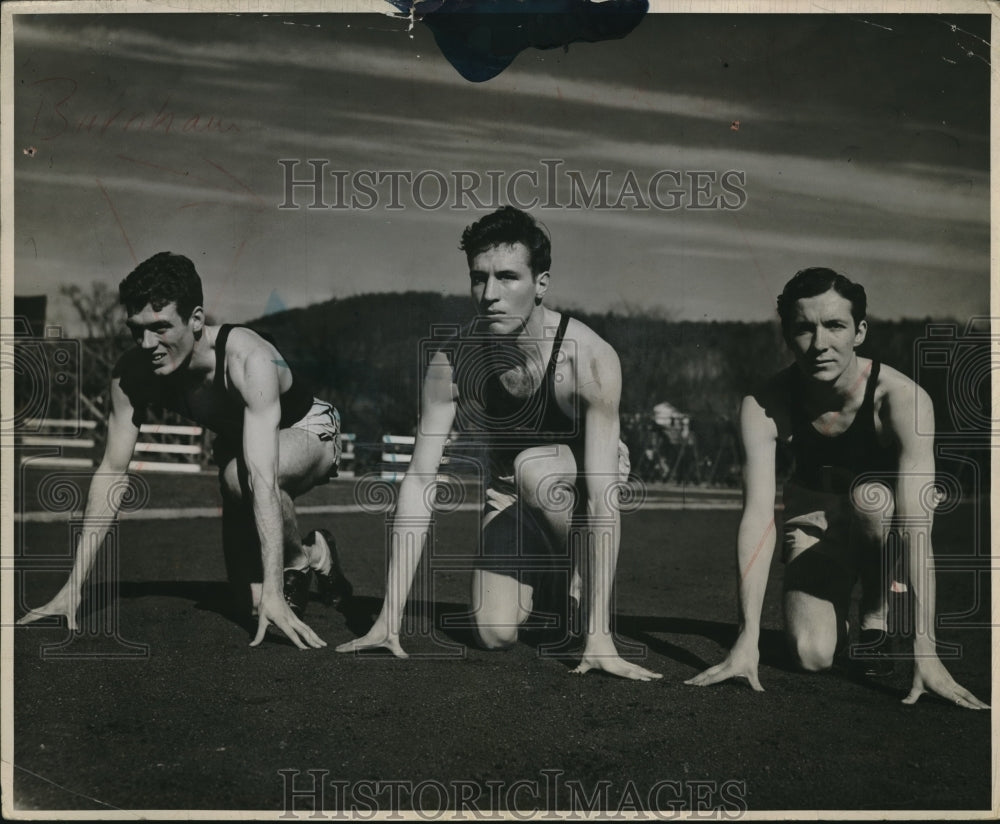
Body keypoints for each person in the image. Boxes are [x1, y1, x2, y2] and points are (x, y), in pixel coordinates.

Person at [336, 206, 660, 681]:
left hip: (586, 477)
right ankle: (551, 588)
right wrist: (388, 621)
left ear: (541, 284)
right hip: (508, 489)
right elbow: (421, 479)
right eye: (479, 278)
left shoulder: (589, 358)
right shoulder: (454, 360)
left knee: (536, 470)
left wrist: (600, 637)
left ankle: (573, 586)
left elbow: (602, 498)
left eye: (508, 277)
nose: (489, 295)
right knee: (492, 633)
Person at [685, 267, 988, 709]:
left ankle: (876, 615)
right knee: (811, 655)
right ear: (788, 334)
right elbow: (756, 519)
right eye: (804, 329)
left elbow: (915, 527)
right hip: (812, 515)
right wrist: (746, 638)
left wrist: (928, 650)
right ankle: (836, 621)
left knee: (871, 499)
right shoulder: (764, 403)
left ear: (859, 331)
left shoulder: (903, 400)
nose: (820, 343)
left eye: (835, 326)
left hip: (881, 520)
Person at [18, 252, 351, 649]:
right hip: (241, 450)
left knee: (239, 479)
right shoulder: (133, 371)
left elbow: (261, 476)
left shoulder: (249, 357)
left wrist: (277, 588)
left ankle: (299, 562)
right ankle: (317, 554)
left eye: (161, 328)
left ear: (196, 319)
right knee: (248, 603)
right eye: (136, 329)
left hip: (307, 428)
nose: (148, 344)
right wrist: (72, 589)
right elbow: (111, 470)